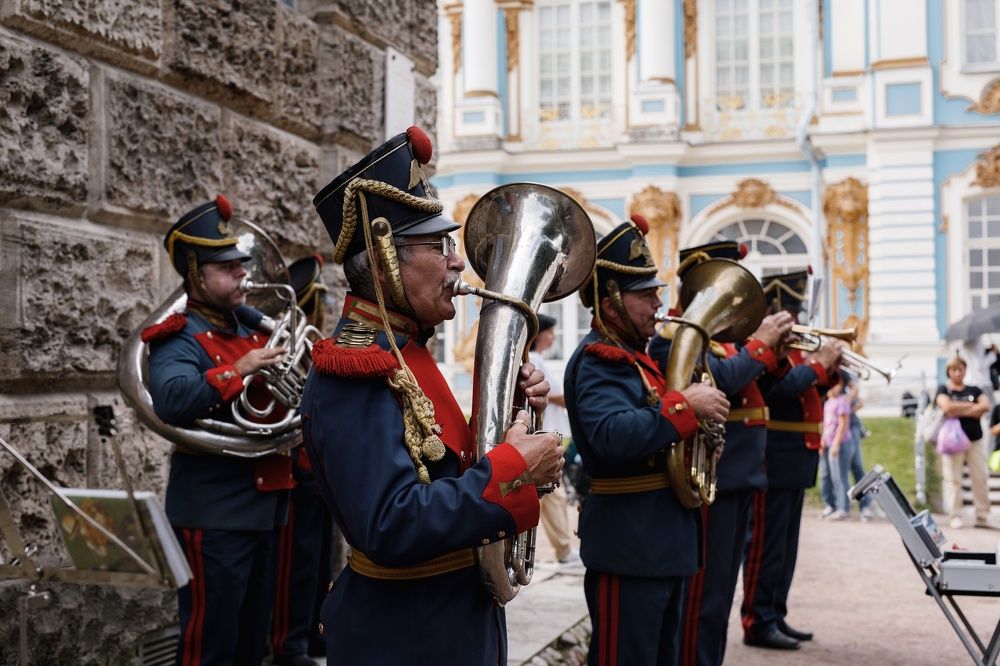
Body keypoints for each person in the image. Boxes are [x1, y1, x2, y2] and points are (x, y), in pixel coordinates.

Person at [301, 126, 563, 664]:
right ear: (386, 260)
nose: (458, 262)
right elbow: (390, 523)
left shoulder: (407, 351)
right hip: (408, 634)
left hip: (450, 619)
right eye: (439, 246)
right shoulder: (357, 366)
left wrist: (514, 416)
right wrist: (513, 469)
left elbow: (448, 468)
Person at [563, 216, 730, 665]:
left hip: (661, 543)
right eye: (646, 295)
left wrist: (701, 441)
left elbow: (658, 432)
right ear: (611, 301)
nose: (658, 303)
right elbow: (611, 436)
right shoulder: (600, 360)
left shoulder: (636, 359)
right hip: (630, 545)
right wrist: (685, 407)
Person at [146, 194, 294, 665]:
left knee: (252, 645)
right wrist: (239, 370)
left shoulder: (251, 328)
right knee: (211, 645)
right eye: (227, 268)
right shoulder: (178, 337)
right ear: (196, 275)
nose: (241, 274)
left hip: (267, 508)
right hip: (215, 514)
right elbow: (172, 399)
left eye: (240, 265)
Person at [648, 241, 793, 666]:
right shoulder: (676, 337)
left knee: (720, 594)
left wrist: (774, 355)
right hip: (716, 477)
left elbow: (752, 388)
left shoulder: (722, 341)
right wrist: (761, 347)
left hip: (740, 474)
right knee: (704, 597)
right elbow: (722, 380)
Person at [740, 270, 841, 651]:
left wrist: (827, 371)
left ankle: (775, 612)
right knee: (765, 546)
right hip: (774, 455)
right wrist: (818, 367)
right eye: (790, 312)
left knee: (785, 547)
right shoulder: (762, 346)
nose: (796, 320)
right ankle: (757, 620)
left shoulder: (793, 347)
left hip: (796, 455)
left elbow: (808, 392)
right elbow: (778, 389)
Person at [270, 255, 332, 666]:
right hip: (295, 470)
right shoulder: (283, 349)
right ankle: (288, 642)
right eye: (320, 303)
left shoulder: (313, 349)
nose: (325, 310)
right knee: (296, 562)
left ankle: (313, 631)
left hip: (321, 471)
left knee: (320, 559)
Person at [528, 313, 582, 567]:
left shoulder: (538, 359)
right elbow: (557, 396)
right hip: (545, 436)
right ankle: (563, 551)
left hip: (547, 435)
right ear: (541, 335)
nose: (552, 338)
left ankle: (560, 550)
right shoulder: (536, 359)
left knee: (549, 496)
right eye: (550, 333)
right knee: (553, 495)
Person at [936, 355, 992, 529]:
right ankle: (955, 514)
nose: (958, 373)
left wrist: (957, 408)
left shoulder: (975, 389)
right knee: (953, 479)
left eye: (960, 369)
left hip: (974, 439)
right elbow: (946, 407)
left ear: (965, 370)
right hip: (952, 441)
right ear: (949, 371)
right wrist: (971, 407)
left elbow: (985, 406)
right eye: (954, 370)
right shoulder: (943, 389)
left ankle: (982, 515)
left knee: (980, 477)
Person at [821, 371, 854, 521]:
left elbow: (843, 425)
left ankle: (843, 508)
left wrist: (836, 444)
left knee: (840, 477)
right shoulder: (828, 402)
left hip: (840, 444)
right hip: (829, 443)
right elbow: (827, 424)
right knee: (829, 476)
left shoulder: (842, 402)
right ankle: (831, 504)